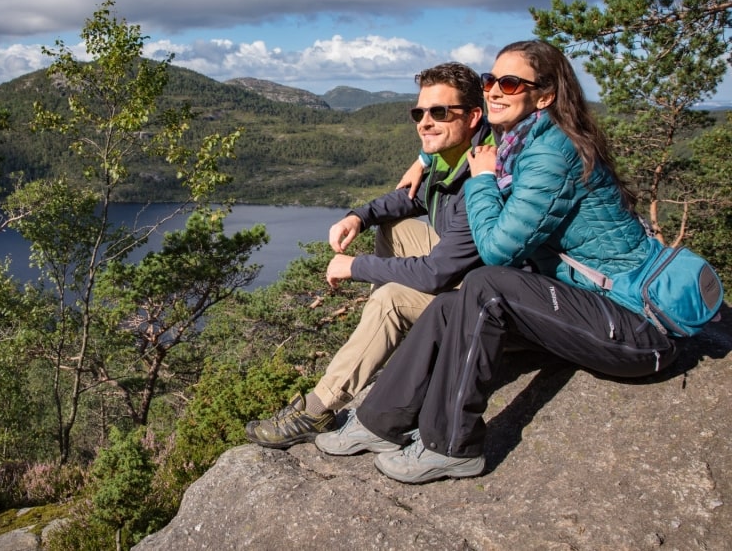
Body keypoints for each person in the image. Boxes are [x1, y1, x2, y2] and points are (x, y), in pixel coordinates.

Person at [314, 39, 679, 483]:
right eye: (490, 80)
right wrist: (422, 160)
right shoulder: (520, 139)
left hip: (633, 326)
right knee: (452, 305)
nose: (494, 91)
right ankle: (378, 421)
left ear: (544, 96)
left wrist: (482, 180)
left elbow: (497, 250)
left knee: (485, 283)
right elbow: (459, 123)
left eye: (509, 82)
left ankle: (451, 445)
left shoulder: (549, 153)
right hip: (576, 308)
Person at [246, 62, 493, 448]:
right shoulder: (452, 157)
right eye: (420, 113)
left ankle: (319, 408)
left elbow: (435, 274)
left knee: (391, 299)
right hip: (465, 273)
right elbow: (407, 199)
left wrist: (354, 266)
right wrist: (358, 216)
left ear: (474, 116)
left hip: (488, 302)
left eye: (439, 112)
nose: (425, 122)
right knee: (394, 228)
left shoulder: (484, 175)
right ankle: (397, 345)